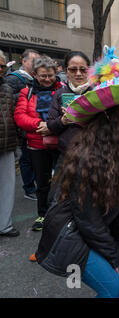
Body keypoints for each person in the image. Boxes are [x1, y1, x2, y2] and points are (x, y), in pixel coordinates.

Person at [35, 46, 119, 298]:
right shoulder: (89, 152)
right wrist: (112, 254)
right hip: (72, 235)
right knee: (116, 291)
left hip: (99, 231)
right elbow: (87, 217)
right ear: (109, 114)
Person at [14, 55, 62, 231]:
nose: (47, 79)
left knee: (61, 181)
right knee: (42, 183)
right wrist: (39, 125)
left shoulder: (63, 91)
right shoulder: (26, 93)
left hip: (59, 143)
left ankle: (60, 214)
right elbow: (20, 117)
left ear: (55, 73)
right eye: (43, 75)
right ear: (35, 74)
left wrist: (52, 126)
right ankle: (42, 214)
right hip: (37, 144)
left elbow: (72, 113)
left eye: (50, 75)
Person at [46, 51, 92, 176]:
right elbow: (50, 124)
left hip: (94, 155)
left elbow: (109, 123)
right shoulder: (60, 93)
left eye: (83, 69)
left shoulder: (98, 92)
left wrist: (85, 117)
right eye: (73, 69)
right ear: (66, 71)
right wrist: (63, 121)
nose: (78, 73)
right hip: (67, 154)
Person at [7, 49, 40, 202]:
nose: (36, 64)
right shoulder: (14, 79)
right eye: (34, 61)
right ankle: (29, 189)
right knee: (26, 159)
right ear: (24, 61)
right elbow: (7, 103)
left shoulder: (36, 78)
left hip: (34, 127)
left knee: (34, 159)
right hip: (21, 129)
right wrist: (24, 96)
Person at [0, 50, 20, 237]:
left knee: (7, 186)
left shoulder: (7, 88)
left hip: (7, 144)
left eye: (1, 66)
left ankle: (4, 225)